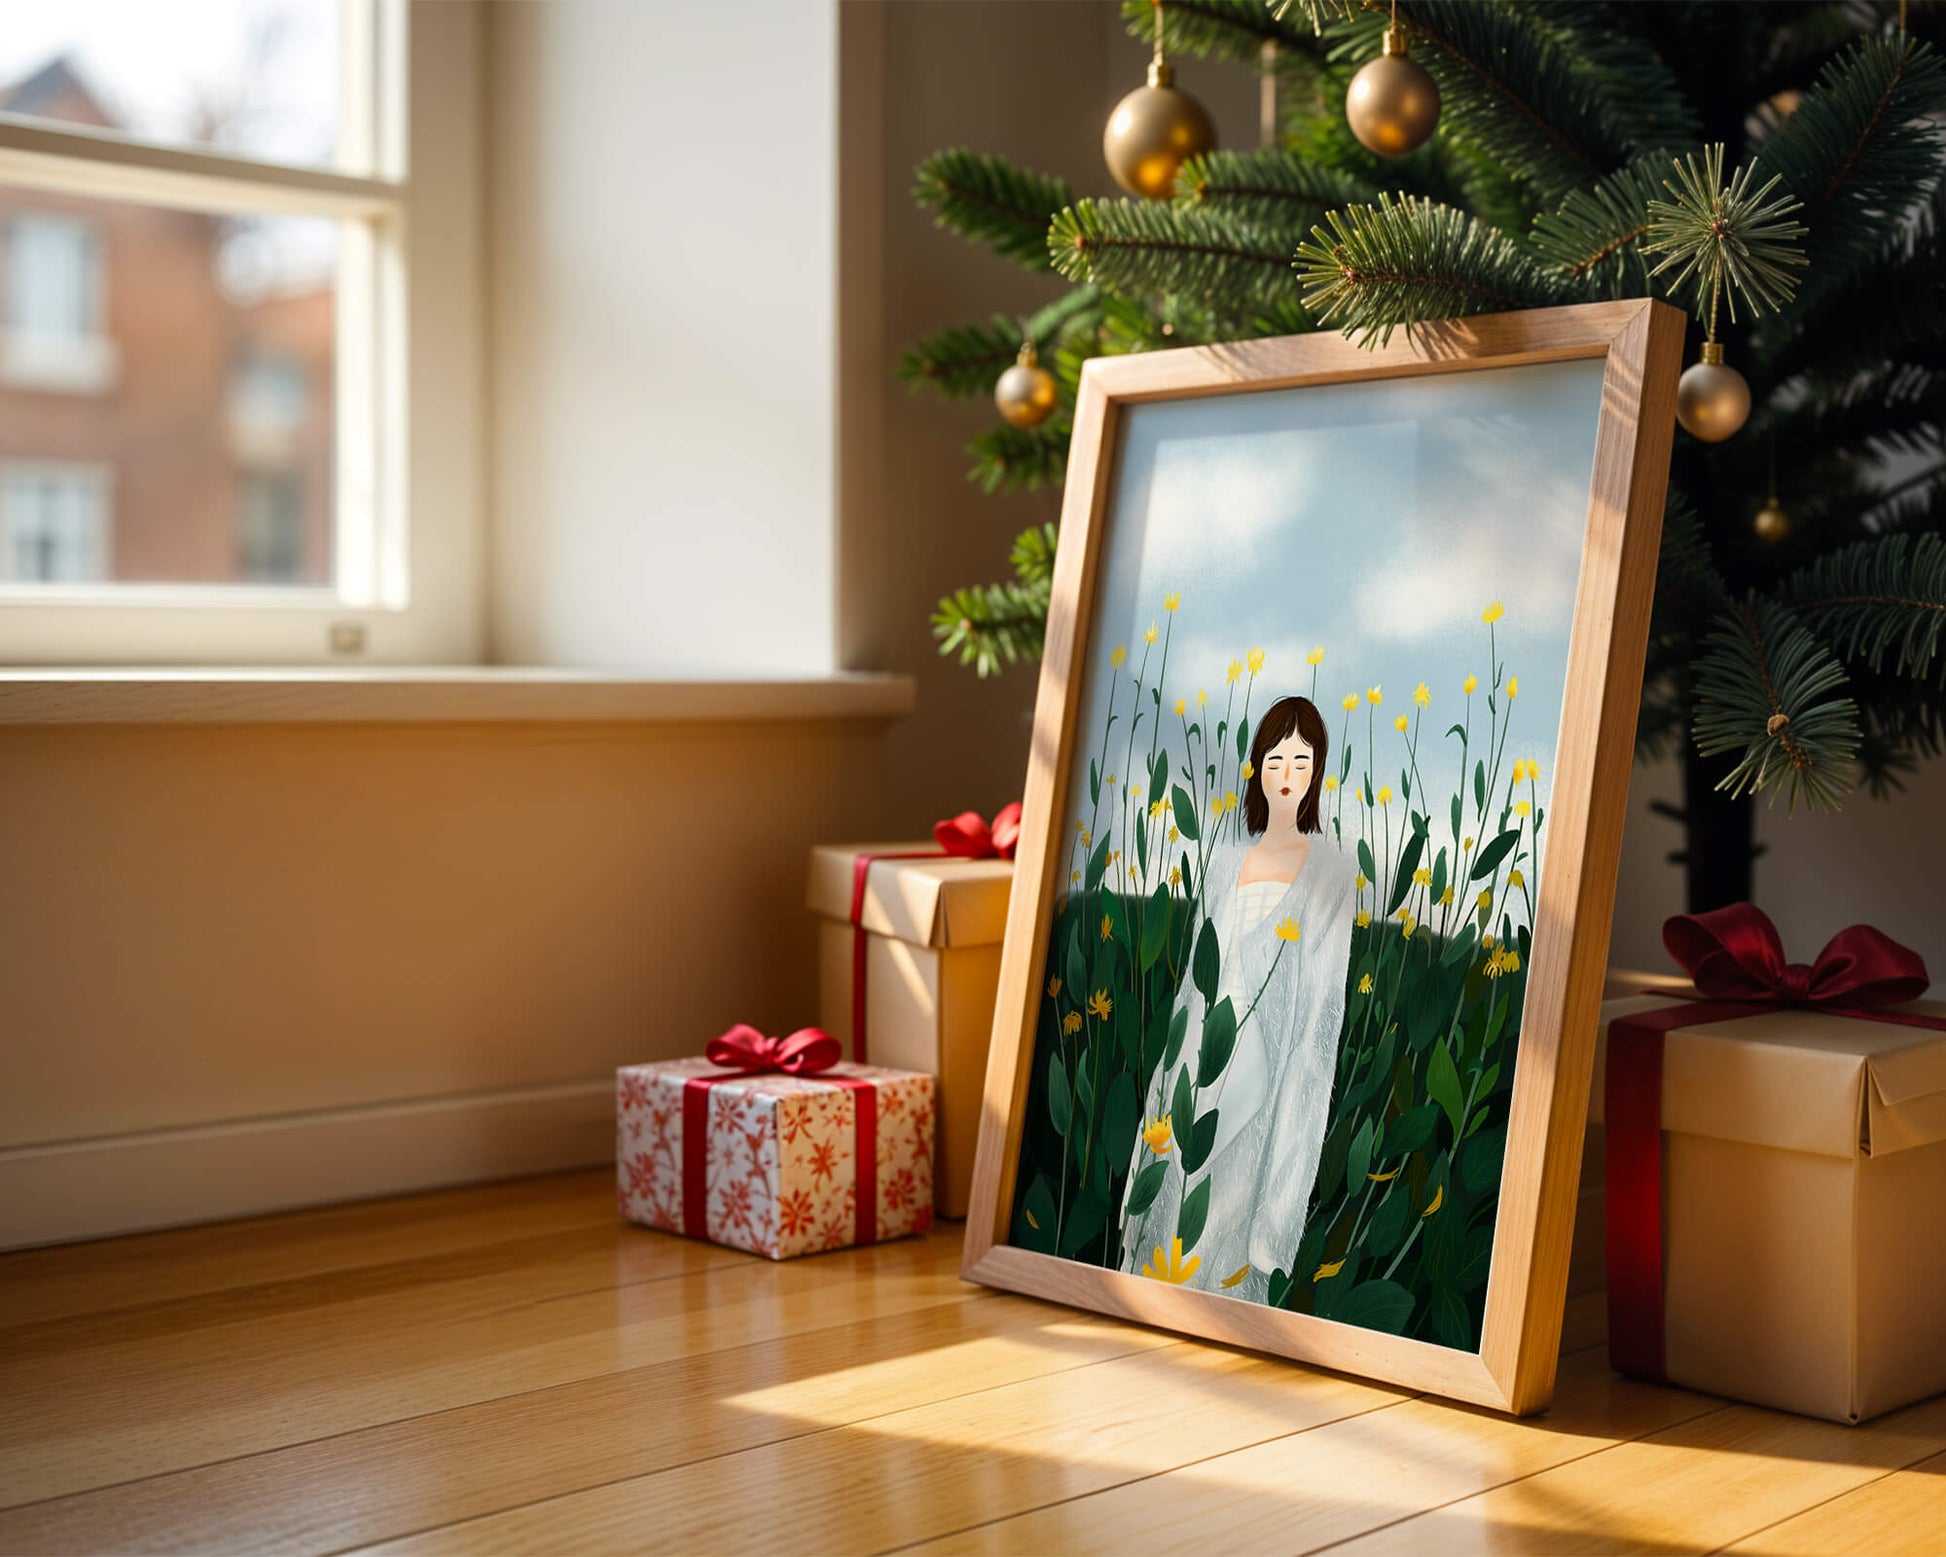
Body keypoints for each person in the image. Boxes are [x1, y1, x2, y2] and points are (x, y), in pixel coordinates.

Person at [1119, 694, 1357, 1304]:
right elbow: (1194, 986)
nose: (1287, 776)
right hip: (1197, 1062)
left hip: (1262, 1074)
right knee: (1173, 1199)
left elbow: (1320, 1020)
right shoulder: (1226, 863)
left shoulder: (1330, 871)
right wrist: (1166, 1084)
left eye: (1301, 762)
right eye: (1275, 760)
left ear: (1318, 772)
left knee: (1224, 1216)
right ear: (1257, 767)